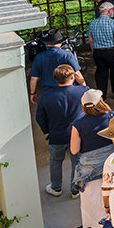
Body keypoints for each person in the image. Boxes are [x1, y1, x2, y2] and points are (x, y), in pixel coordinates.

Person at [36, 64, 89, 198]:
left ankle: (56, 188)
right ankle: (75, 190)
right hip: (77, 135)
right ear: (72, 77)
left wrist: (47, 131)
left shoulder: (46, 96)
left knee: (55, 161)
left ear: (55, 79)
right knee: (77, 162)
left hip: (56, 135)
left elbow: (39, 117)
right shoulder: (82, 91)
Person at [70, 89, 114, 228]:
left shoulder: (78, 125)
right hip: (111, 166)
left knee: (95, 203)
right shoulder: (112, 116)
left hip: (90, 172)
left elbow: (74, 150)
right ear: (100, 102)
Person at [29, 28, 85, 103]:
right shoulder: (67, 55)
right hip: (67, 91)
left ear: (47, 43)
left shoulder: (39, 57)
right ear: (61, 42)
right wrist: (85, 88)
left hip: (48, 93)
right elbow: (77, 74)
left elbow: (33, 78)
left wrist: (32, 93)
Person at [88, 2, 114, 97]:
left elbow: (90, 40)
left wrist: (94, 51)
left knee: (101, 73)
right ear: (110, 11)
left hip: (98, 51)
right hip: (111, 51)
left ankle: (102, 95)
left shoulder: (92, 23)